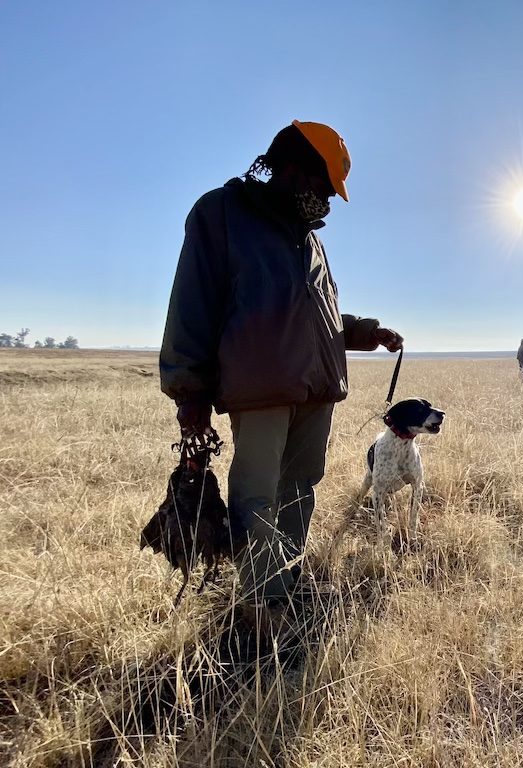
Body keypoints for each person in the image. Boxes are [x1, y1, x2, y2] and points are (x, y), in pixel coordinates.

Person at [159, 120, 403, 621]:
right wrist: (190, 394)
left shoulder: (307, 238)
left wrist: (365, 332)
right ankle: (258, 605)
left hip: (315, 390)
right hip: (260, 390)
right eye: (322, 187)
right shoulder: (221, 214)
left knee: (301, 487)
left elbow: (317, 315)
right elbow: (192, 306)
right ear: (291, 169)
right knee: (257, 495)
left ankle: (284, 581)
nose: (328, 203)